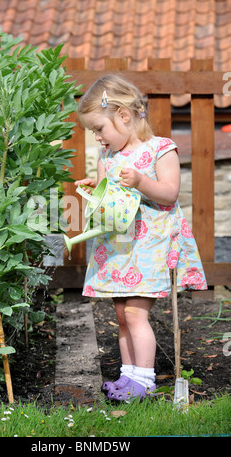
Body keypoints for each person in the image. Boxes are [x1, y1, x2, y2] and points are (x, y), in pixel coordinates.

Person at [74, 74, 207, 401]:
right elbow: (110, 202)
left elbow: (169, 194)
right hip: (120, 246)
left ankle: (144, 382)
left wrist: (140, 182)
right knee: (121, 315)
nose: (97, 138)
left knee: (135, 313)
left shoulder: (160, 149)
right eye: (93, 132)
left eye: (99, 129)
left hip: (149, 246)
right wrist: (97, 192)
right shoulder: (108, 158)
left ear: (122, 115)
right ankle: (127, 377)